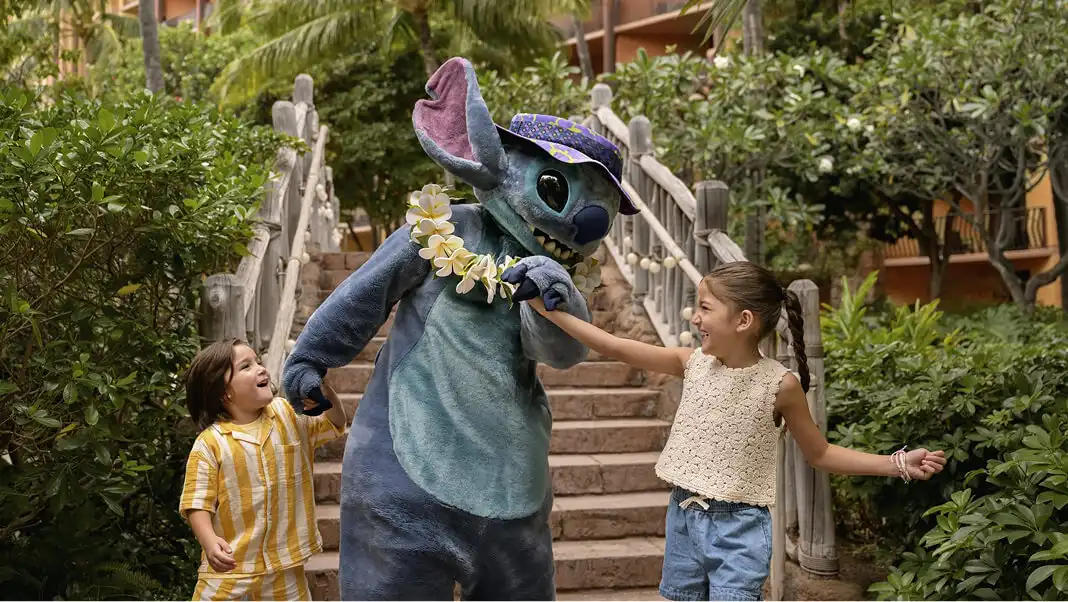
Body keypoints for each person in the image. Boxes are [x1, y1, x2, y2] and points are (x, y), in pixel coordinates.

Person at [527, 261, 947, 602]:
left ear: (743, 320)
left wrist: (896, 464)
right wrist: (552, 312)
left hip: (740, 528)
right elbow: (613, 346)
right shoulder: (689, 362)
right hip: (684, 516)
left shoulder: (780, 385)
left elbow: (820, 453)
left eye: (705, 307)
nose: (694, 316)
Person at [179, 338, 347, 601]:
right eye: (246, 366)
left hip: (286, 568)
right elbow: (196, 501)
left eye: (258, 361)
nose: (261, 368)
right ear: (224, 392)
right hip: (232, 571)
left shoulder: (287, 413)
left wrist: (324, 391)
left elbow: (334, 422)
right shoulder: (211, 443)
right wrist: (209, 541)